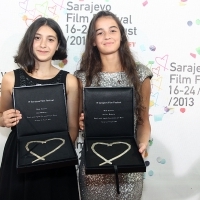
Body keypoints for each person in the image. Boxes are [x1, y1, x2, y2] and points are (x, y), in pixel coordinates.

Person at [74, 11, 153, 200]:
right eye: (99, 32)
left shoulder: (141, 74)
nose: (107, 36)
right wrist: (82, 122)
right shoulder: (82, 78)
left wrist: (142, 143)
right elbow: (78, 121)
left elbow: (143, 120)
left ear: (121, 35)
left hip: (129, 166)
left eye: (112, 30)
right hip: (94, 170)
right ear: (93, 40)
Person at [0, 17, 80, 200]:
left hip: (58, 158)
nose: (43, 44)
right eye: (37, 38)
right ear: (30, 41)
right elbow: (0, 115)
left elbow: (73, 127)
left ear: (58, 44)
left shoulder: (70, 81)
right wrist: (4, 119)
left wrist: (58, 152)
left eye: (50, 39)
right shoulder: (11, 78)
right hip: (20, 157)